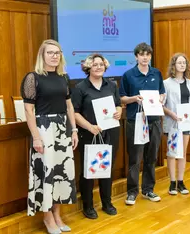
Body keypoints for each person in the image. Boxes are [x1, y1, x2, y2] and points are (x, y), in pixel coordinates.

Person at [21, 39, 78, 234]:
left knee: (62, 174)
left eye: (58, 53)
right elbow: (29, 111)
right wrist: (36, 137)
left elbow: (69, 106)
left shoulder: (64, 77)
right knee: (47, 173)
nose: (55, 56)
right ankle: (47, 217)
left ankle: (57, 214)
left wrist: (74, 130)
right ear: (42, 55)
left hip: (63, 128)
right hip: (44, 129)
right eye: (50, 52)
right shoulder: (33, 77)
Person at [72, 54, 122, 219]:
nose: (99, 67)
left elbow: (118, 104)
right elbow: (74, 113)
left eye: (101, 64)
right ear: (88, 68)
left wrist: (119, 112)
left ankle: (106, 203)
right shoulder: (80, 88)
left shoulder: (111, 85)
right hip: (89, 133)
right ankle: (88, 206)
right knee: (89, 170)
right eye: (95, 65)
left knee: (107, 168)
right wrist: (89, 126)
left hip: (110, 132)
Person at [119, 42, 165, 205]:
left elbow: (162, 93)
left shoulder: (156, 73)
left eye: (148, 55)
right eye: (142, 54)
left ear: (150, 56)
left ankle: (148, 190)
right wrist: (134, 98)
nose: (145, 57)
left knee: (151, 157)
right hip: (135, 121)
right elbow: (122, 98)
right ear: (136, 56)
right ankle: (132, 192)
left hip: (154, 121)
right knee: (135, 159)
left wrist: (161, 98)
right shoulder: (128, 75)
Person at [163, 53, 190, 195]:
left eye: (184, 63)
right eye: (179, 63)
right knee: (172, 153)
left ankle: (181, 181)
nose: (182, 65)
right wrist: (172, 114)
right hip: (172, 122)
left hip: (187, 123)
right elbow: (161, 105)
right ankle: (172, 182)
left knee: (183, 152)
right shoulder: (166, 83)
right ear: (174, 65)